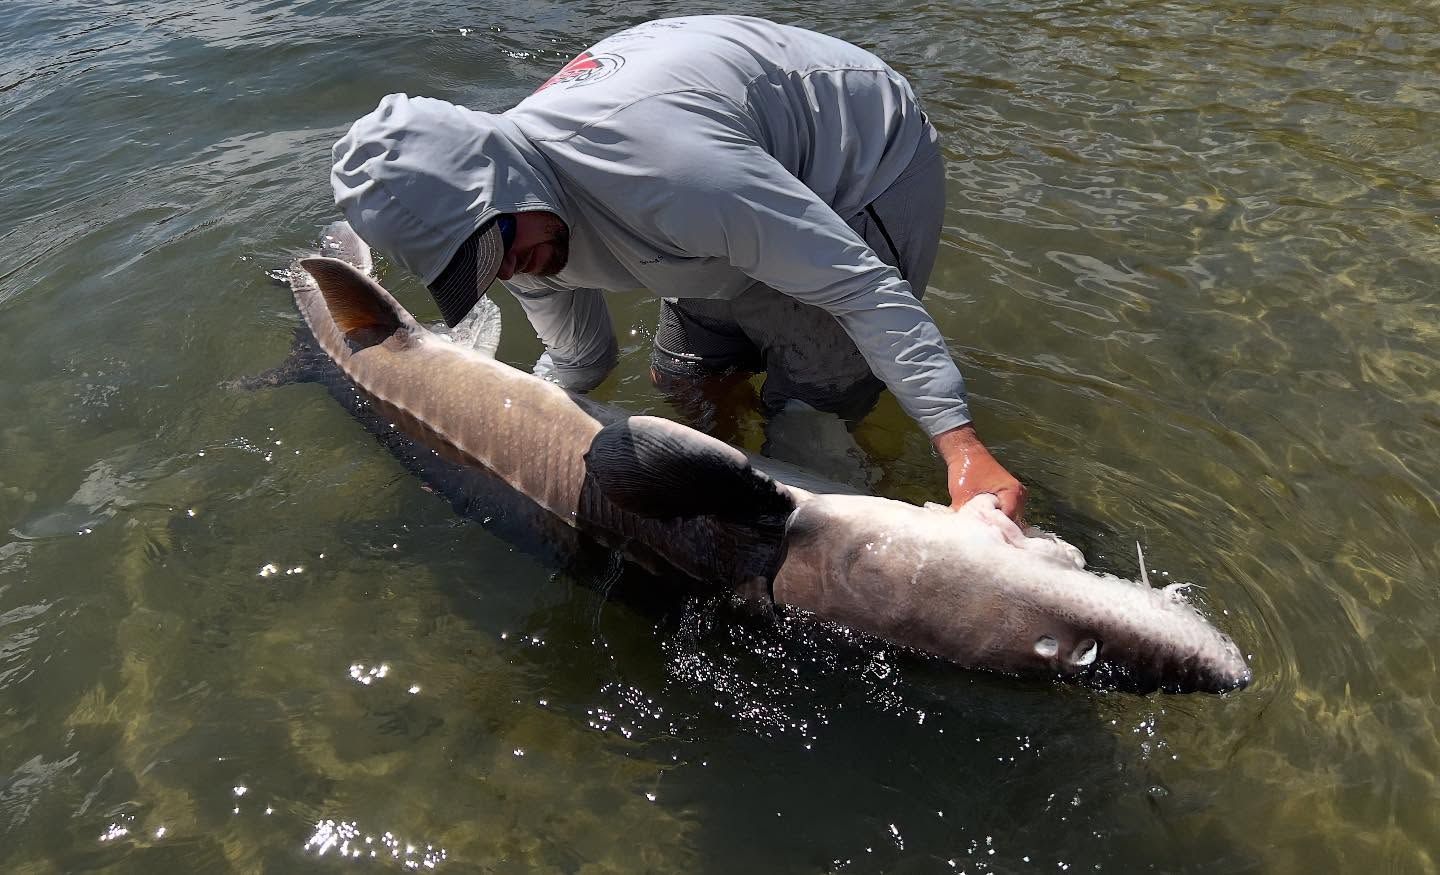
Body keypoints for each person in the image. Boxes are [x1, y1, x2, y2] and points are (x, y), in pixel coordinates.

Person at [330, 14, 1027, 521]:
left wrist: (959, 444)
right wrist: (495, 446)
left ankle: (817, 420)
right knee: (684, 381)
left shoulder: (668, 173)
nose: (511, 268)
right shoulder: (518, 232)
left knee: (807, 429)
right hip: (718, 197)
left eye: (497, 241)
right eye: (477, 265)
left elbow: (859, 284)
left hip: (858, 161)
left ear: (508, 176)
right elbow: (579, 357)